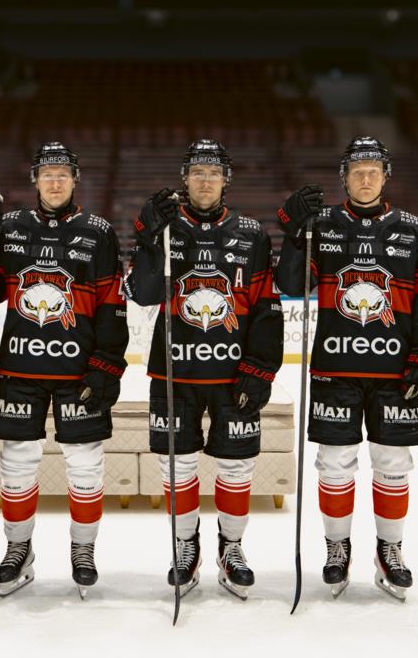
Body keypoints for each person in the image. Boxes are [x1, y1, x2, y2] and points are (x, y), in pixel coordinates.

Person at [275, 136, 418, 600]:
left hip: (396, 374)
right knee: (334, 465)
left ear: (385, 176)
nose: (365, 178)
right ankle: (337, 548)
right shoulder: (321, 225)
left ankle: (390, 550)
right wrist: (293, 232)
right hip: (335, 370)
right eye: (357, 171)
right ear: (344, 177)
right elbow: (290, 284)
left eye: (373, 171)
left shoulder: (415, 231)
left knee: (393, 465)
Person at [0, 142, 128, 599]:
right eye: (47, 174)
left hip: (79, 371)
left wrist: (107, 366)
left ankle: (83, 550)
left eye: (63, 174)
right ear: (35, 179)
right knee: (16, 465)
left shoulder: (98, 232)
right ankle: (19, 549)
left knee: (85, 466)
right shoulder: (10, 226)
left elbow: (113, 304)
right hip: (20, 368)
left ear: (76, 180)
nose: (55, 182)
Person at [123, 139, 283, 599]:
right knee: (177, 467)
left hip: (233, 377)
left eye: (214, 172)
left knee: (237, 467)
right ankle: (185, 547)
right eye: (197, 172)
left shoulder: (252, 234)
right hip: (174, 374)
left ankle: (231, 548)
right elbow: (143, 293)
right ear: (185, 179)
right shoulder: (165, 228)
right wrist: (148, 239)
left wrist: (260, 370)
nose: (205, 180)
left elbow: (267, 308)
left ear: (225, 179)